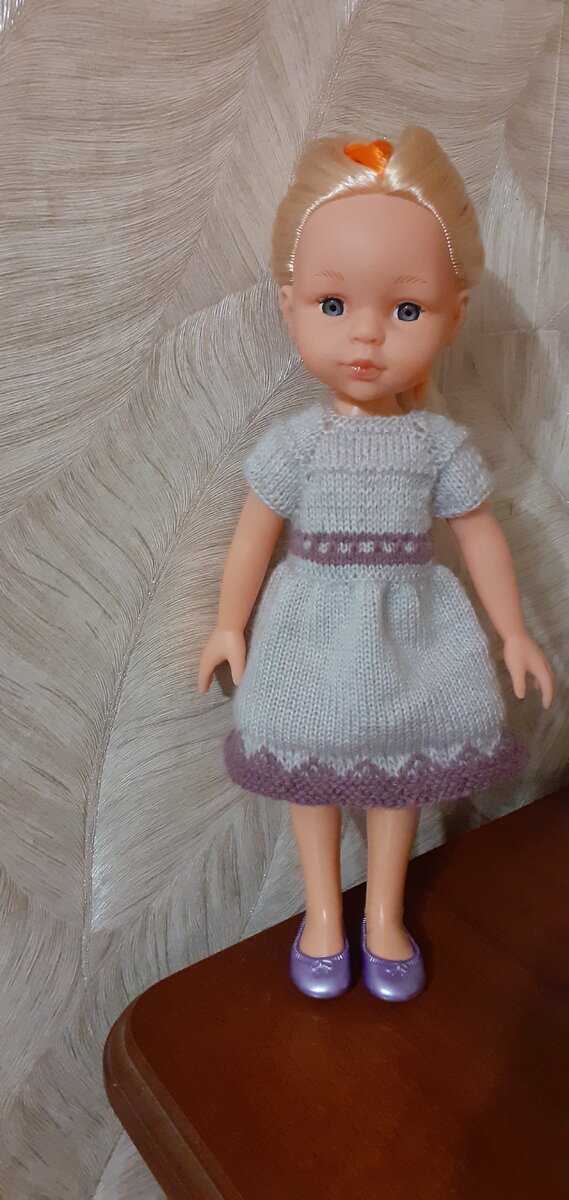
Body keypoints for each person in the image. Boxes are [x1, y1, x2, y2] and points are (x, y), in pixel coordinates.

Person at [198, 130, 554, 1002]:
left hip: (409, 633)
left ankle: (384, 914)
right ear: (289, 306)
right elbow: (251, 536)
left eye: (404, 310)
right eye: (332, 303)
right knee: (308, 774)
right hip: (309, 631)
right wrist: (228, 624)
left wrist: (513, 632)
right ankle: (323, 913)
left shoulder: (436, 445)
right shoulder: (296, 444)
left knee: (403, 775)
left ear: (453, 314)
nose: (364, 334)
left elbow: (478, 532)